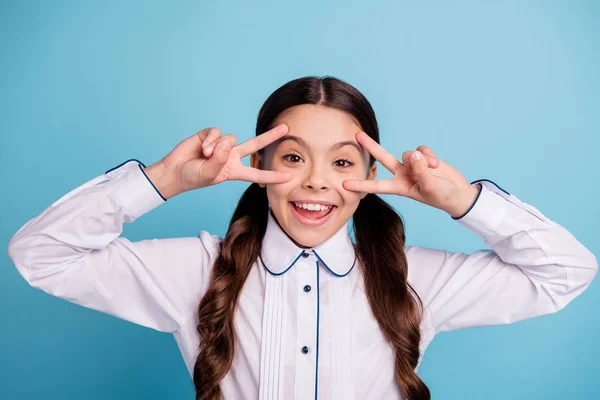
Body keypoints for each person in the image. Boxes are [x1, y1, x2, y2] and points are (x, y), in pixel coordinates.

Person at [7, 76, 597, 400]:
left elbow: (566, 272)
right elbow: (41, 255)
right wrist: (162, 181)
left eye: (343, 163)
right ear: (257, 165)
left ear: (370, 178)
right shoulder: (196, 269)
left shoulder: (416, 280)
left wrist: (462, 200)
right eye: (292, 157)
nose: (317, 181)